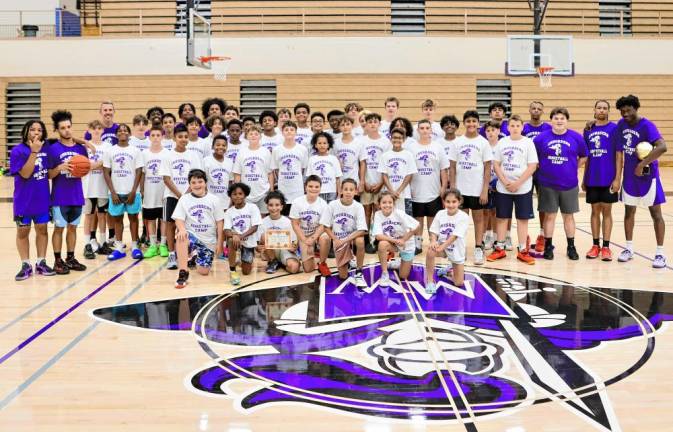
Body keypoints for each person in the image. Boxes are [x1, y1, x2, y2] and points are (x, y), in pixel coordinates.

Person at [614, 94, 668, 268]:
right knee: (629, 213)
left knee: (656, 214)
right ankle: (629, 249)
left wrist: (643, 164)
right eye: (622, 111)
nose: (625, 114)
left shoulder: (647, 125)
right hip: (630, 178)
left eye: (628, 110)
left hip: (648, 176)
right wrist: (590, 124)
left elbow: (662, 146)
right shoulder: (621, 125)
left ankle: (660, 253)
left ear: (636, 108)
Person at [533, 107, 587, 261]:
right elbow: (533, 158)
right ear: (551, 121)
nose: (559, 121)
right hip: (547, 183)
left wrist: (573, 167)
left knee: (568, 216)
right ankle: (548, 246)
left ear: (566, 121)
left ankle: (571, 246)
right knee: (549, 216)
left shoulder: (576, 137)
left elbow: (584, 156)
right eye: (556, 118)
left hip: (569, 184)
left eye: (562, 118)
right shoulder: (541, 138)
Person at [487, 115, 538, 264]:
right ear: (508, 128)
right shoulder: (502, 142)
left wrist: (518, 183)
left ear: (522, 127)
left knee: (522, 219)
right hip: (503, 187)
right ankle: (500, 248)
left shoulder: (528, 143)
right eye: (512, 125)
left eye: (518, 125)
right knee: (502, 218)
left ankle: (522, 250)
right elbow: (496, 164)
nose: (515, 128)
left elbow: (532, 165)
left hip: (523, 187)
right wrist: (504, 181)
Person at [11, 120, 56, 280]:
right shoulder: (17, 151)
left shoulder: (47, 149)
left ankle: (41, 262)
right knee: (23, 231)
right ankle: (25, 264)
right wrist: (34, 152)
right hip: (23, 200)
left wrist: (60, 168)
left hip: (42, 198)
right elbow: (25, 174)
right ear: (26, 132)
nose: (36, 133)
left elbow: (49, 173)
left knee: (42, 230)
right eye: (32, 130)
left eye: (39, 130)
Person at [449, 110, 493, 265]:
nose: (471, 124)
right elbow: (452, 167)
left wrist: (484, 189)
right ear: (464, 123)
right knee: (461, 220)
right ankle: (460, 249)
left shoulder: (483, 142)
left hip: (477, 189)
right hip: (460, 189)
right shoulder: (457, 142)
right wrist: (453, 190)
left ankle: (479, 248)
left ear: (478, 124)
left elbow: (488, 167)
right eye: (468, 121)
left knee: (478, 219)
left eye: (474, 121)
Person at [48, 110, 89, 274]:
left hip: (77, 195)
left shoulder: (80, 149)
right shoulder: (53, 149)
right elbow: (49, 175)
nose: (67, 130)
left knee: (73, 228)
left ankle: (70, 258)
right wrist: (59, 168)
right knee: (59, 229)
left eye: (69, 127)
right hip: (60, 196)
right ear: (57, 130)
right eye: (63, 128)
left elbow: (85, 168)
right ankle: (57, 261)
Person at [173, 169, 225, 289]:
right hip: (192, 235)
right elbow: (178, 219)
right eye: (193, 182)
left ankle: (194, 256)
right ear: (190, 185)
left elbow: (220, 222)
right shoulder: (184, 199)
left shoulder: (214, 200)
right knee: (181, 236)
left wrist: (219, 243)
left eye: (200, 181)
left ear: (205, 183)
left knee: (203, 272)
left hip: (208, 241)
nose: (197, 185)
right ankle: (183, 272)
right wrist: (181, 229)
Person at [161, 124, 204, 269]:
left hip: (190, 195)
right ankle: (172, 254)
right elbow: (166, 178)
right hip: (171, 196)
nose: (183, 139)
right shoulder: (167, 154)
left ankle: (190, 253)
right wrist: (179, 195)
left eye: (186, 137)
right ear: (174, 138)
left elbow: (197, 176)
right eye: (180, 137)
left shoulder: (193, 155)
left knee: (189, 226)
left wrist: (186, 194)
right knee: (170, 224)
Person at [583, 100, 620, 261]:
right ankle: (595, 245)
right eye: (599, 108)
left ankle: (606, 246)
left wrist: (618, 178)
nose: (602, 110)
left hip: (608, 177)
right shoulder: (588, 130)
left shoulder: (615, 128)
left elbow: (619, 156)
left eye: (605, 108)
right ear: (594, 110)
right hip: (592, 177)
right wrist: (584, 178)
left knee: (607, 211)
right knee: (594, 211)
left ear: (609, 111)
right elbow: (586, 156)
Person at [103, 123, 145, 261]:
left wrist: (134, 191)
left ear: (129, 134)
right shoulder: (110, 151)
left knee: (133, 218)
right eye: (119, 130)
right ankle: (119, 247)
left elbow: (139, 171)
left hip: (132, 191)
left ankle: (135, 247)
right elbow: (106, 172)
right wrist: (113, 192)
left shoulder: (135, 151)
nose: (122, 132)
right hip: (116, 191)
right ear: (116, 135)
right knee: (117, 219)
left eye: (125, 130)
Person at [409, 119, 449, 255]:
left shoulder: (438, 147)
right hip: (416, 191)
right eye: (422, 128)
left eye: (427, 128)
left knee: (433, 219)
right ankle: (418, 244)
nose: (425, 130)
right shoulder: (412, 148)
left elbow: (444, 170)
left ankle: (433, 243)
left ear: (431, 130)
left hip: (434, 191)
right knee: (417, 219)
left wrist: (443, 187)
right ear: (418, 130)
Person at [320, 179, 368, 286]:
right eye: (345, 189)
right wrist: (336, 239)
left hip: (351, 239)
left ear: (356, 192)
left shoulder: (358, 206)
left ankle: (359, 271)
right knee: (343, 276)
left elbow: (362, 230)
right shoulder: (332, 205)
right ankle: (349, 260)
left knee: (360, 241)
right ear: (341, 190)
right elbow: (325, 226)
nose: (348, 192)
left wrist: (345, 241)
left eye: (351, 190)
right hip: (338, 240)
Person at [425, 189, 470, 294]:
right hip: (442, 248)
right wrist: (433, 241)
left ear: (459, 202)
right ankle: (430, 281)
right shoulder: (440, 214)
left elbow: (454, 236)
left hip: (456, 249)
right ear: (444, 202)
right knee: (431, 251)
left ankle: (448, 271)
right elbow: (434, 231)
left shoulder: (463, 217)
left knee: (458, 283)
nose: (451, 205)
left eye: (454, 202)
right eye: (448, 202)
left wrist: (441, 247)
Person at [358, 113, 391, 254]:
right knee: (366, 212)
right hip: (366, 182)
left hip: (380, 183)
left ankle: (378, 240)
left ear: (379, 124)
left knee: (378, 212)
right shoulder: (362, 141)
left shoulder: (385, 141)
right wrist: (363, 181)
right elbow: (362, 163)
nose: (372, 124)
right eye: (369, 121)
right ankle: (366, 241)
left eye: (375, 122)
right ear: (365, 124)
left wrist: (381, 182)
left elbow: (388, 164)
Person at [372, 192, 419, 286]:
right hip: (394, 243)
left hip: (406, 244)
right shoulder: (377, 214)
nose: (387, 205)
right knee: (382, 244)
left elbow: (417, 226)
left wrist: (403, 240)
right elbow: (378, 236)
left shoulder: (399, 213)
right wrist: (396, 241)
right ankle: (385, 273)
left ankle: (399, 262)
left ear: (394, 204)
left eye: (390, 202)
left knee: (403, 276)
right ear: (379, 204)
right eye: (384, 202)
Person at [523, 101, 552, 253]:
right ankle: (524, 236)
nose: (535, 111)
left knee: (544, 205)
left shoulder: (548, 127)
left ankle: (542, 235)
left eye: (539, 109)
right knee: (524, 205)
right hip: (527, 172)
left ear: (542, 111)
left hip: (543, 171)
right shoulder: (523, 128)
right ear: (529, 110)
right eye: (533, 108)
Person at [82, 120, 112, 259]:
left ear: (102, 130)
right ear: (89, 130)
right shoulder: (84, 147)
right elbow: (84, 166)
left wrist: (94, 164)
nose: (96, 130)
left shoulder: (108, 146)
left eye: (99, 128)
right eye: (93, 128)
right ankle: (87, 244)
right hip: (88, 186)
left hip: (102, 186)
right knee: (88, 215)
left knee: (102, 215)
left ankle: (103, 242)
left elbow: (108, 165)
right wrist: (99, 163)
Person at [290, 175, 331, 275]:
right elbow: (295, 224)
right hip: (303, 235)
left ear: (320, 188)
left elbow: (322, 225)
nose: (313, 189)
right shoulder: (297, 202)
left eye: (317, 187)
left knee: (325, 237)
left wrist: (312, 239)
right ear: (305, 187)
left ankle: (322, 263)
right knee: (308, 269)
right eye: (311, 186)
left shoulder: (323, 204)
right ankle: (307, 253)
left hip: (316, 233)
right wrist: (305, 240)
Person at [224, 182, 262, 285]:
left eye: (240, 194)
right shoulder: (229, 212)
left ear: (245, 195)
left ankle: (241, 261)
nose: (237, 196)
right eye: (234, 194)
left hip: (248, 241)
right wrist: (234, 235)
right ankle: (232, 270)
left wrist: (239, 236)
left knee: (246, 272)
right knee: (231, 240)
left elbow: (255, 227)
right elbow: (226, 230)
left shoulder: (252, 207)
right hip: (235, 241)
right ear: (230, 196)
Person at [140, 125, 169, 258]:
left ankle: (162, 244)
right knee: (150, 219)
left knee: (163, 219)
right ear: (149, 137)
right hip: (150, 191)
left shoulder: (167, 153)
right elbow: (142, 174)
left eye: (158, 135)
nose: (156, 138)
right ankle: (152, 245)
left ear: (162, 137)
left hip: (163, 191)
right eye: (153, 135)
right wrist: (142, 190)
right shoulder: (144, 154)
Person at [233, 125, 273, 216]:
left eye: (256, 134)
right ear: (247, 136)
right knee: (248, 217)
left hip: (263, 192)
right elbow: (237, 174)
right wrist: (237, 190)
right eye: (251, 134)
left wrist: (271, 189)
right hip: (247, 193)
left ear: (260, 136)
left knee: (262, 218)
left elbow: (270, 173)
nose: (253, 136)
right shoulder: (241, 152)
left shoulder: (265, 152)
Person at [258, 191, 301, 274]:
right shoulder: (262, 222)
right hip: (269, 252)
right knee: (264, 236)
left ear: (281, 207)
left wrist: (294, 246)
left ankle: (280, 264)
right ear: (267, 206)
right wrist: (258, 247)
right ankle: (273, 261)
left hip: (285, 250)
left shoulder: (288, 222)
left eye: (277, 205)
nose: (274, 208)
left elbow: (294, 241)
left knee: (294, 268)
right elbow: (258, 243)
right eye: (271, 205)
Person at [271, 120, 308, 216]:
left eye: (292, 129)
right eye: (286, 130)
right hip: (283, 189)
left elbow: (303, 169)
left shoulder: (302, 149)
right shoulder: (277, 150)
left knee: (297, 216)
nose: (289, 132)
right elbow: (276, 169)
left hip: (297, 189)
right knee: (284, 217)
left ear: (296, 132)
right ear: (282, 132)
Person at [379, 128, 417, 215]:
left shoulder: (408, 155)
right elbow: (384, 175)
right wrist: (391, 191)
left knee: (406, 222)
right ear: (390, 138)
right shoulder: (385, 156)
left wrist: (398, 191)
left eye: (399, 138)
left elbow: (409, 175)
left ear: (403, 139)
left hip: (404, 194)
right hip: (388, 195)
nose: (397, 140)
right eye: (394, 137)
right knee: (389, 221)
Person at [307, 132, 342, 202]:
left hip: (331, 191)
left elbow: (338, 178)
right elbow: (310, 179)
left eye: (324, 143)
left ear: (328, 145)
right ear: (315, 145)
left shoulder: (333, 159)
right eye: (319, 143)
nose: (322, 145)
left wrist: (339, 194)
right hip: (317, 192)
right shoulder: (312, 159)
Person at [482, 121, 501, 250]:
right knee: (485, 211)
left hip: (499, 183)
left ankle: (496, 236)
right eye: (488, 130)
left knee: (496, 211)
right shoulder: (483, 146)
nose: (490, 133)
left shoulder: (502, 146)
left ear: (498, 131)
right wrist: (485, 183)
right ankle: (487, 235)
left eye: (493, 130)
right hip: (485, 183)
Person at [333, 116, 363, 191]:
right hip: (339, 182)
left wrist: (362, 181)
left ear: (352, 126)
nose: (345, 127)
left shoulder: (359, 142)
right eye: (342, 125)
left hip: (354, 180)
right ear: (339, 127)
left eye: (348, 124)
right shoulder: (335, 143)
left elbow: (362, 163)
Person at [204, 134, 233, 210]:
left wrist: (231, 199)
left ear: (227, 147)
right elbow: (203, 181)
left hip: (225, 202)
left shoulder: (230, 162)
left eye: (224, 145)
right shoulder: (206, 161)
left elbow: (230, 183)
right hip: (209, 201)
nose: (221, 147)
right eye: (218, 145)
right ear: (213, 146)